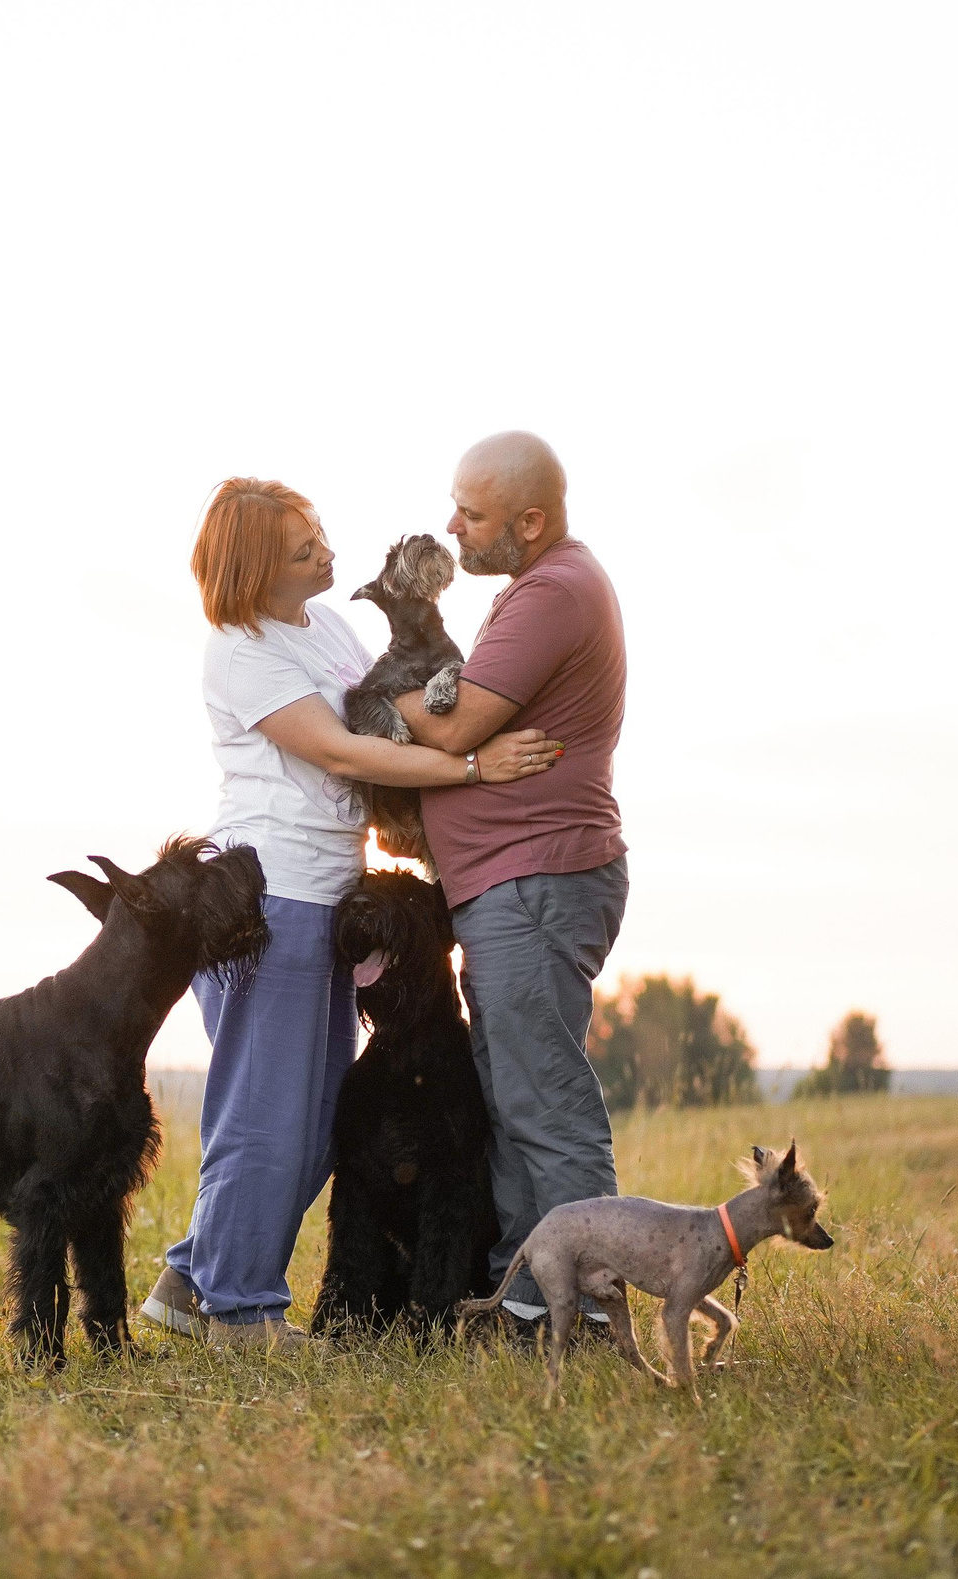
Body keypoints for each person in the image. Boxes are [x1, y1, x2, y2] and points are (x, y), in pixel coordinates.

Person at [138, 476, 562, 1354]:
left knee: (319, 1112)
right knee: (266, 1114)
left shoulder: (321, 626)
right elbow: (337, 747)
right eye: (304, 549)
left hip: (328, 889)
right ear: (258, 566)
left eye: (321, 535)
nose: (329, 554)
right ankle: (242, 1312)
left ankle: (193, 1276)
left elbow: (390, 712)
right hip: (274, 896)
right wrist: (477, 773)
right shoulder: (240, 647)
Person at [392, 432, 629, 1328]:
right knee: (512, 1098)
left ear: (530, 521)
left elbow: (450, 732)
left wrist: (367, 703)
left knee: (547, 1106)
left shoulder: (553, 592)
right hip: (513, 887)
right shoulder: (543, 586)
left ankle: (594, 1318)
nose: (453, 528)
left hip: (534, 886)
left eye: (474, 514)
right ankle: (526, 1304)